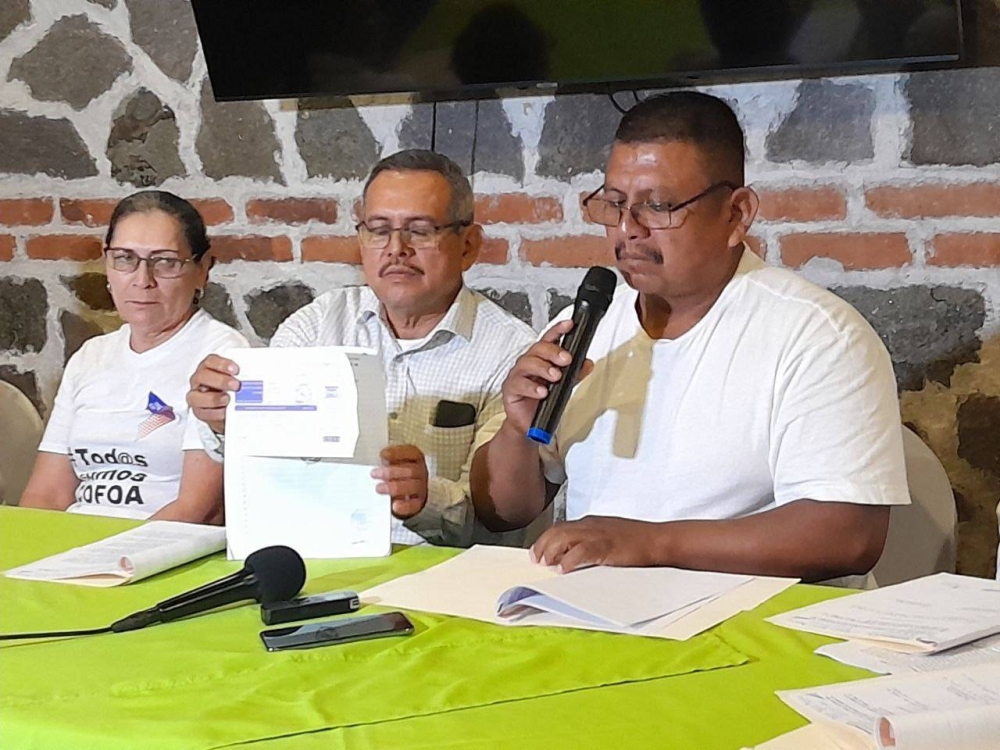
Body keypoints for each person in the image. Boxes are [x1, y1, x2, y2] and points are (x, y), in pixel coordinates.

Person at [470, 91, 909, 582]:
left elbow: (847, 536)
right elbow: (506, 511)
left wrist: (646, 542)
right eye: (615, 204)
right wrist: (517, 432)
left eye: (657, 207)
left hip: (759, 630)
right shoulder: (589, 324)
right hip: (597, 617)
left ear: (736, 215)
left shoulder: (819, 335)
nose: (628, 230)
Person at [188, 149, 536, 547]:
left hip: (439, 575)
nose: (396, 248)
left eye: (420, 230)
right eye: (379, 229)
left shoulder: (510, 352)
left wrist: (425, 499)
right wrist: (224, 417)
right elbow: (264, 453)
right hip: (312, 556)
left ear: (469, 246)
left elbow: (498, 518)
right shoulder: (320, 323)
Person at [20, 191, 247, 523]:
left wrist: (111, 560)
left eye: (166, 262)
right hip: (75, 547)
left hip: (158, 553)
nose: (143, 281)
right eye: (125, 258)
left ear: (202, 269)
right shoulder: (90, 357)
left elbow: (200, 510)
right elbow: (47, 495)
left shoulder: (222, 358)